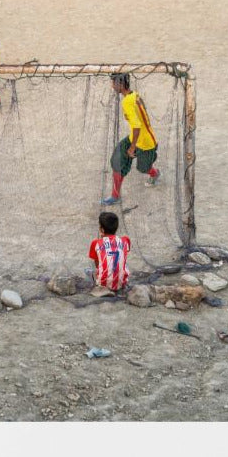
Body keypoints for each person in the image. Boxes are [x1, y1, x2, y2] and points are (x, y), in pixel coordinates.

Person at [101, 73, 161, 206]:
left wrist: (132, 147)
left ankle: (155, 173)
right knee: (117, 159)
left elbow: (137, 126)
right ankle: (115, 196)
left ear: (121, 85)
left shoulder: (127, 102)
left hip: (145, 143)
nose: (112, 86)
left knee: (143, 168)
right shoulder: (134, 94)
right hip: (136, 137)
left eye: (114, 83)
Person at [88, 211, 131, 292]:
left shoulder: (96, 243)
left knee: (90, 270)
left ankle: (100, 282)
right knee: (124, 262)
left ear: (102, 229)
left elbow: (97, 264)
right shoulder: (125, 240)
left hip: (103, 284)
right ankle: (119, 279)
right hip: (121, 284)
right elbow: (124, 253)